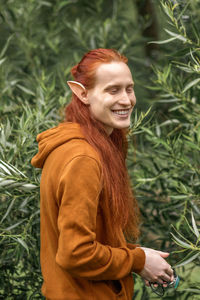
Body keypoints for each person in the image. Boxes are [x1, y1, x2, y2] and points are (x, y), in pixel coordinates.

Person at [31, 48, 174, 300]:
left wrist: (138, 255)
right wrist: (137, 261)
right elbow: (75, 253)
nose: (127, 100)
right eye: (113, 90)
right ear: (82, 93)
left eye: (129, 88)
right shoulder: (83, 158)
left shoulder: (82, 147)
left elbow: (88, 239)